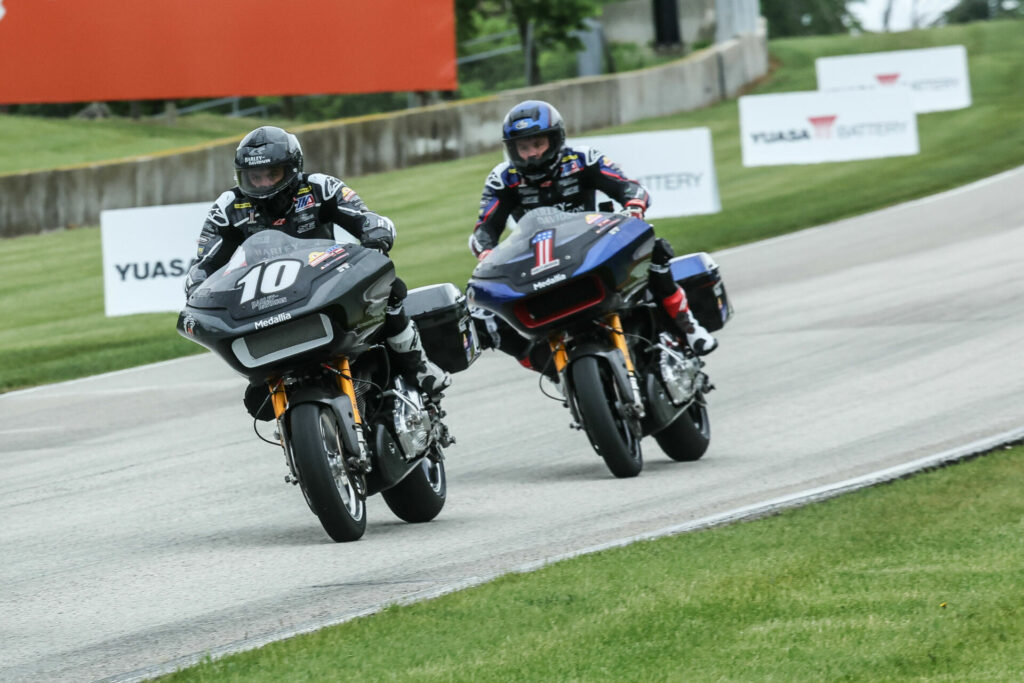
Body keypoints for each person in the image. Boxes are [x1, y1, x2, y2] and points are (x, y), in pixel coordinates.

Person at [184, 126, 449, 417]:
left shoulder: (320, 187)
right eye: (254, 177)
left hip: (323, 284)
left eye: (271, 174)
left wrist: (375, 233)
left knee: (392, 288)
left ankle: (419, 365)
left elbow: (365, 217)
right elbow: (204, 262)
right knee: (257, 399)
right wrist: (197, 283)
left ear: (292, 169)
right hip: (265, 301)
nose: (262, 184)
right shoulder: (228, 206)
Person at [468, 99, 718, 371]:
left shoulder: (583, 159)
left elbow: (630, 189)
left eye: (537, 144)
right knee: (479, 307)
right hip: (538, 262)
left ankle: (689, 327)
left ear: (555, 140)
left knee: (656, 249)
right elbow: (485, 229)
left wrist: (633, 208)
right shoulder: (502, 179)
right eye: (523, 147)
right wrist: (486, 252)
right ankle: (548, 368)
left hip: (589, 246)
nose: (532, 154)